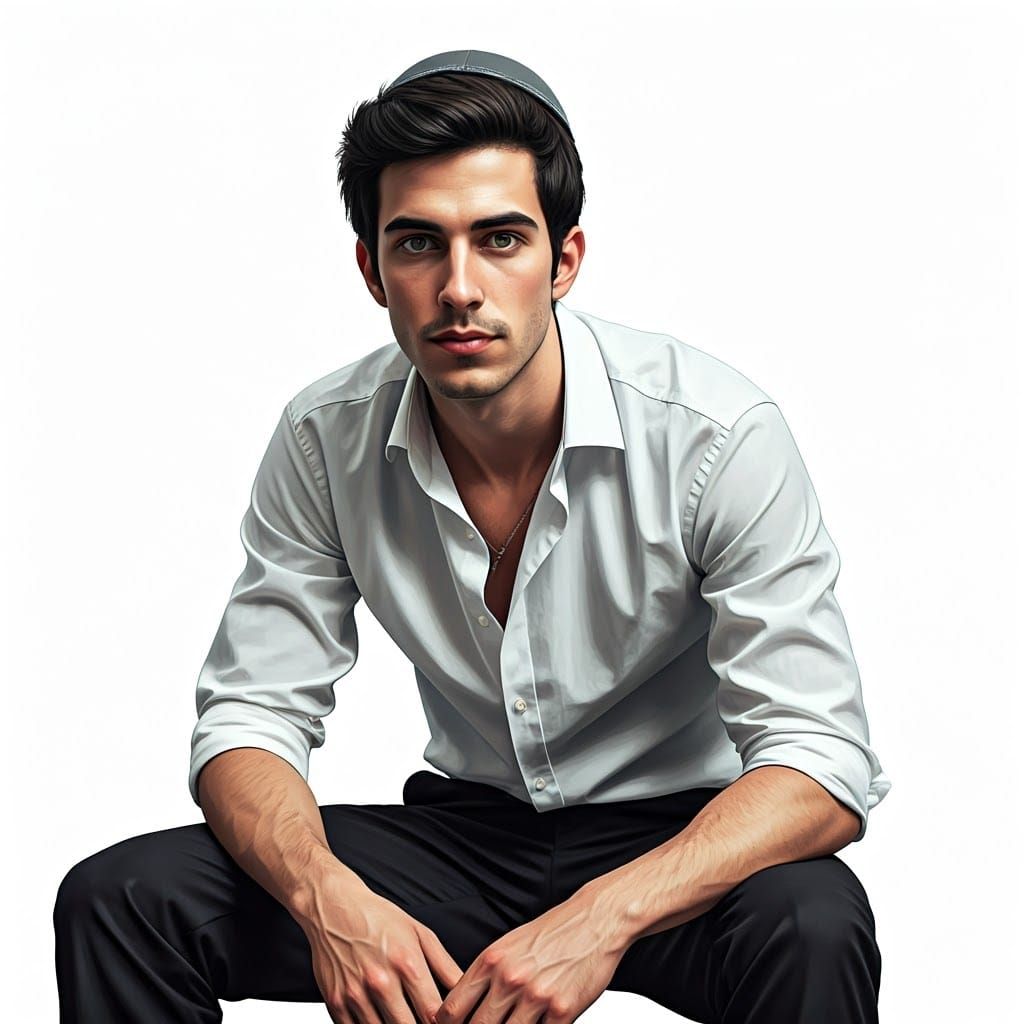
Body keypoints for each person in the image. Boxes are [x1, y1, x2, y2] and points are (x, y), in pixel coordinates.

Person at [53, 49, 892, 1024]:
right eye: (418, 244)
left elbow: (822, 765)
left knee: (813, 920)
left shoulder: (713, 435)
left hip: (678, 843)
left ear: (562, 259)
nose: (459, 286)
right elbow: (248, 719)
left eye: (500, 239)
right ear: (371, 269)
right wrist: (332, 903)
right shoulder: (327, 437)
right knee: (124, 898)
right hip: (466, 837)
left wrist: (599, 916)